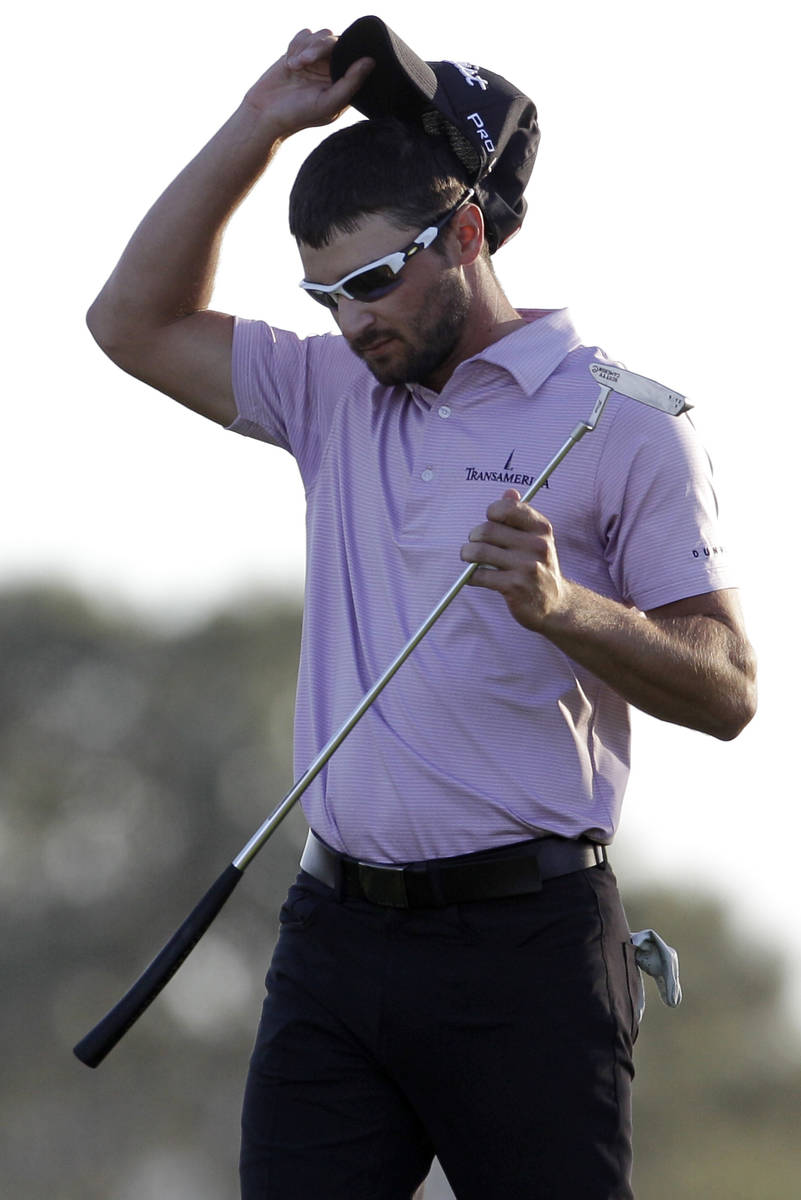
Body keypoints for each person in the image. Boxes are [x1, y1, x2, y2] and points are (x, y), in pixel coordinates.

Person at [86, 17, 757, 1200]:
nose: (352, 321)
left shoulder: (629, 422)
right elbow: (127, 322)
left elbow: (729, 688)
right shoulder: (331, 391)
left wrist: (564, 609)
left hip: (531, 950)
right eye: (324, 294)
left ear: (463, 235)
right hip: (333, 937)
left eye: (374, 282)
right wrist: (256, 127)